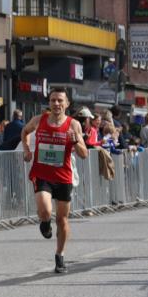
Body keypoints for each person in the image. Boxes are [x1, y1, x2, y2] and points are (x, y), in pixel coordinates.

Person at [20, 87, 89, 273]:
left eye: (60, 100)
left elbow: (84, 154)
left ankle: (60, 255)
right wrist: (26, 150)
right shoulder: (39, 120)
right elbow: (24, 132)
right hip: (42, 173)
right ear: (49, 103)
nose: (56, 104)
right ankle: (44, 221)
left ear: (67, 104)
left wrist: (76, 141)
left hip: (63, 177)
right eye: (53, 100)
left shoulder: (74, 125)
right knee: (45, 210)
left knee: (62, 219)